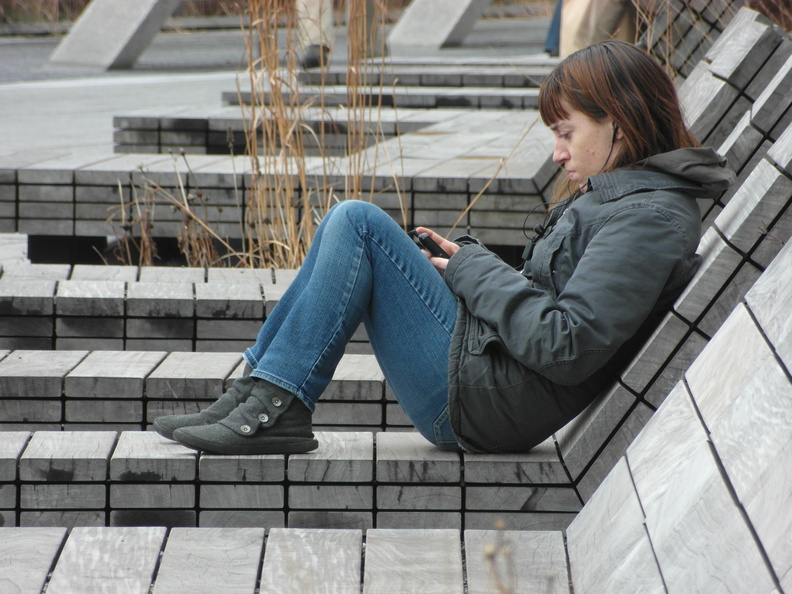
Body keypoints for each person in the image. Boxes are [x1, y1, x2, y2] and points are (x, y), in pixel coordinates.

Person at [154, 41, 734, 455]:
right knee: (352, 223)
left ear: (623, 125)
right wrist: (463, 264)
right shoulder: (626, 200)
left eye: (566, 132)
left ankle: (269, 407)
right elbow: (553, 308)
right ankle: (253, 395)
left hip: (484, 403)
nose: (558, 153)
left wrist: (475, 268)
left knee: (357, 223)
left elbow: (567, 345)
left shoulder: (648, 218)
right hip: (489, 375)